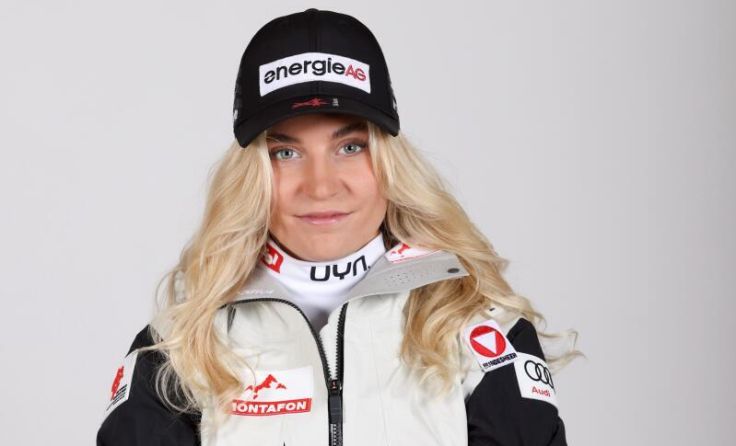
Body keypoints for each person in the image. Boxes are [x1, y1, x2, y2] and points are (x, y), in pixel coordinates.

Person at [97, 8, 578, 446]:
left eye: (350, 147)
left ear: (390, 161)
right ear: (251, 175)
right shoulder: (179, 348)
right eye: (285, 153)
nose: (322, 186)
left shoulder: (480, 331)